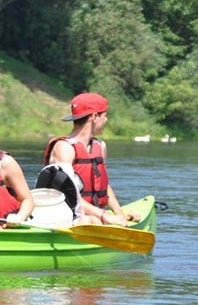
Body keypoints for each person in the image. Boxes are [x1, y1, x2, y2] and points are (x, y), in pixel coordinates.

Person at [40, 92, 141, 226]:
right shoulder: (65, 148)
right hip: (69, 218)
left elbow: (103, 186)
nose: (106, 120)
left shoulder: (100, 146)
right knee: (90, 220)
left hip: (95, 215)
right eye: (104, 115)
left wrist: (119, 213)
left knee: (93, 219)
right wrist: (105, 216)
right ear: (94, 116)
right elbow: (69, 194)